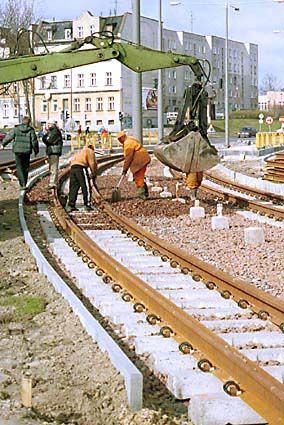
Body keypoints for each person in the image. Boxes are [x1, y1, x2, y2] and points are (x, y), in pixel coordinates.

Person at [0, 116, 39, 190]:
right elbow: (34, 141)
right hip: (27, 151)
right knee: (26, 167)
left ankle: (22, 184)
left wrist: (3, 144)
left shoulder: (16, 129)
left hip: (17, 151)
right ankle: (24, 183)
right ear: (29, 122)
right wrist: (36, 151)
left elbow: (9, 137)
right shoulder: (31, 130)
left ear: (22, 121)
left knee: (19, 167)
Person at [117, 131, 151, 200]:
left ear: (122, 137)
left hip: (140, 160)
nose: (119, 141)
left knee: (138, 177)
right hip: (142, 159)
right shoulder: (130, 139)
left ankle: (142, 195)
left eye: (119, 139)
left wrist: (125, 169)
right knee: (139, 176)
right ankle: (145, 193)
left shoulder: (128, 144)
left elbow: (128, 158)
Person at [65, 144, 97, 212]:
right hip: (81, 167)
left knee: (74, 187)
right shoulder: (90, 151)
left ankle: (71, 204)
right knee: (86, 186)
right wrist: (93, 173)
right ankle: (87, 204)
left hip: (73, 168)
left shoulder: (80, 151)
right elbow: (92, 163)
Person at [42, 119, 63, 189]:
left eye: (48, 124)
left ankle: (52, 183)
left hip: (54, 151)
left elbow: (49, 141)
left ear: (51, 124)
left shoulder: (54, 131)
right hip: (53, 151)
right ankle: (55, 182)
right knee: (52, 167)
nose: (47, 125)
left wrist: (44, 136)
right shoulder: (52, 131)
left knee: (53, 167)